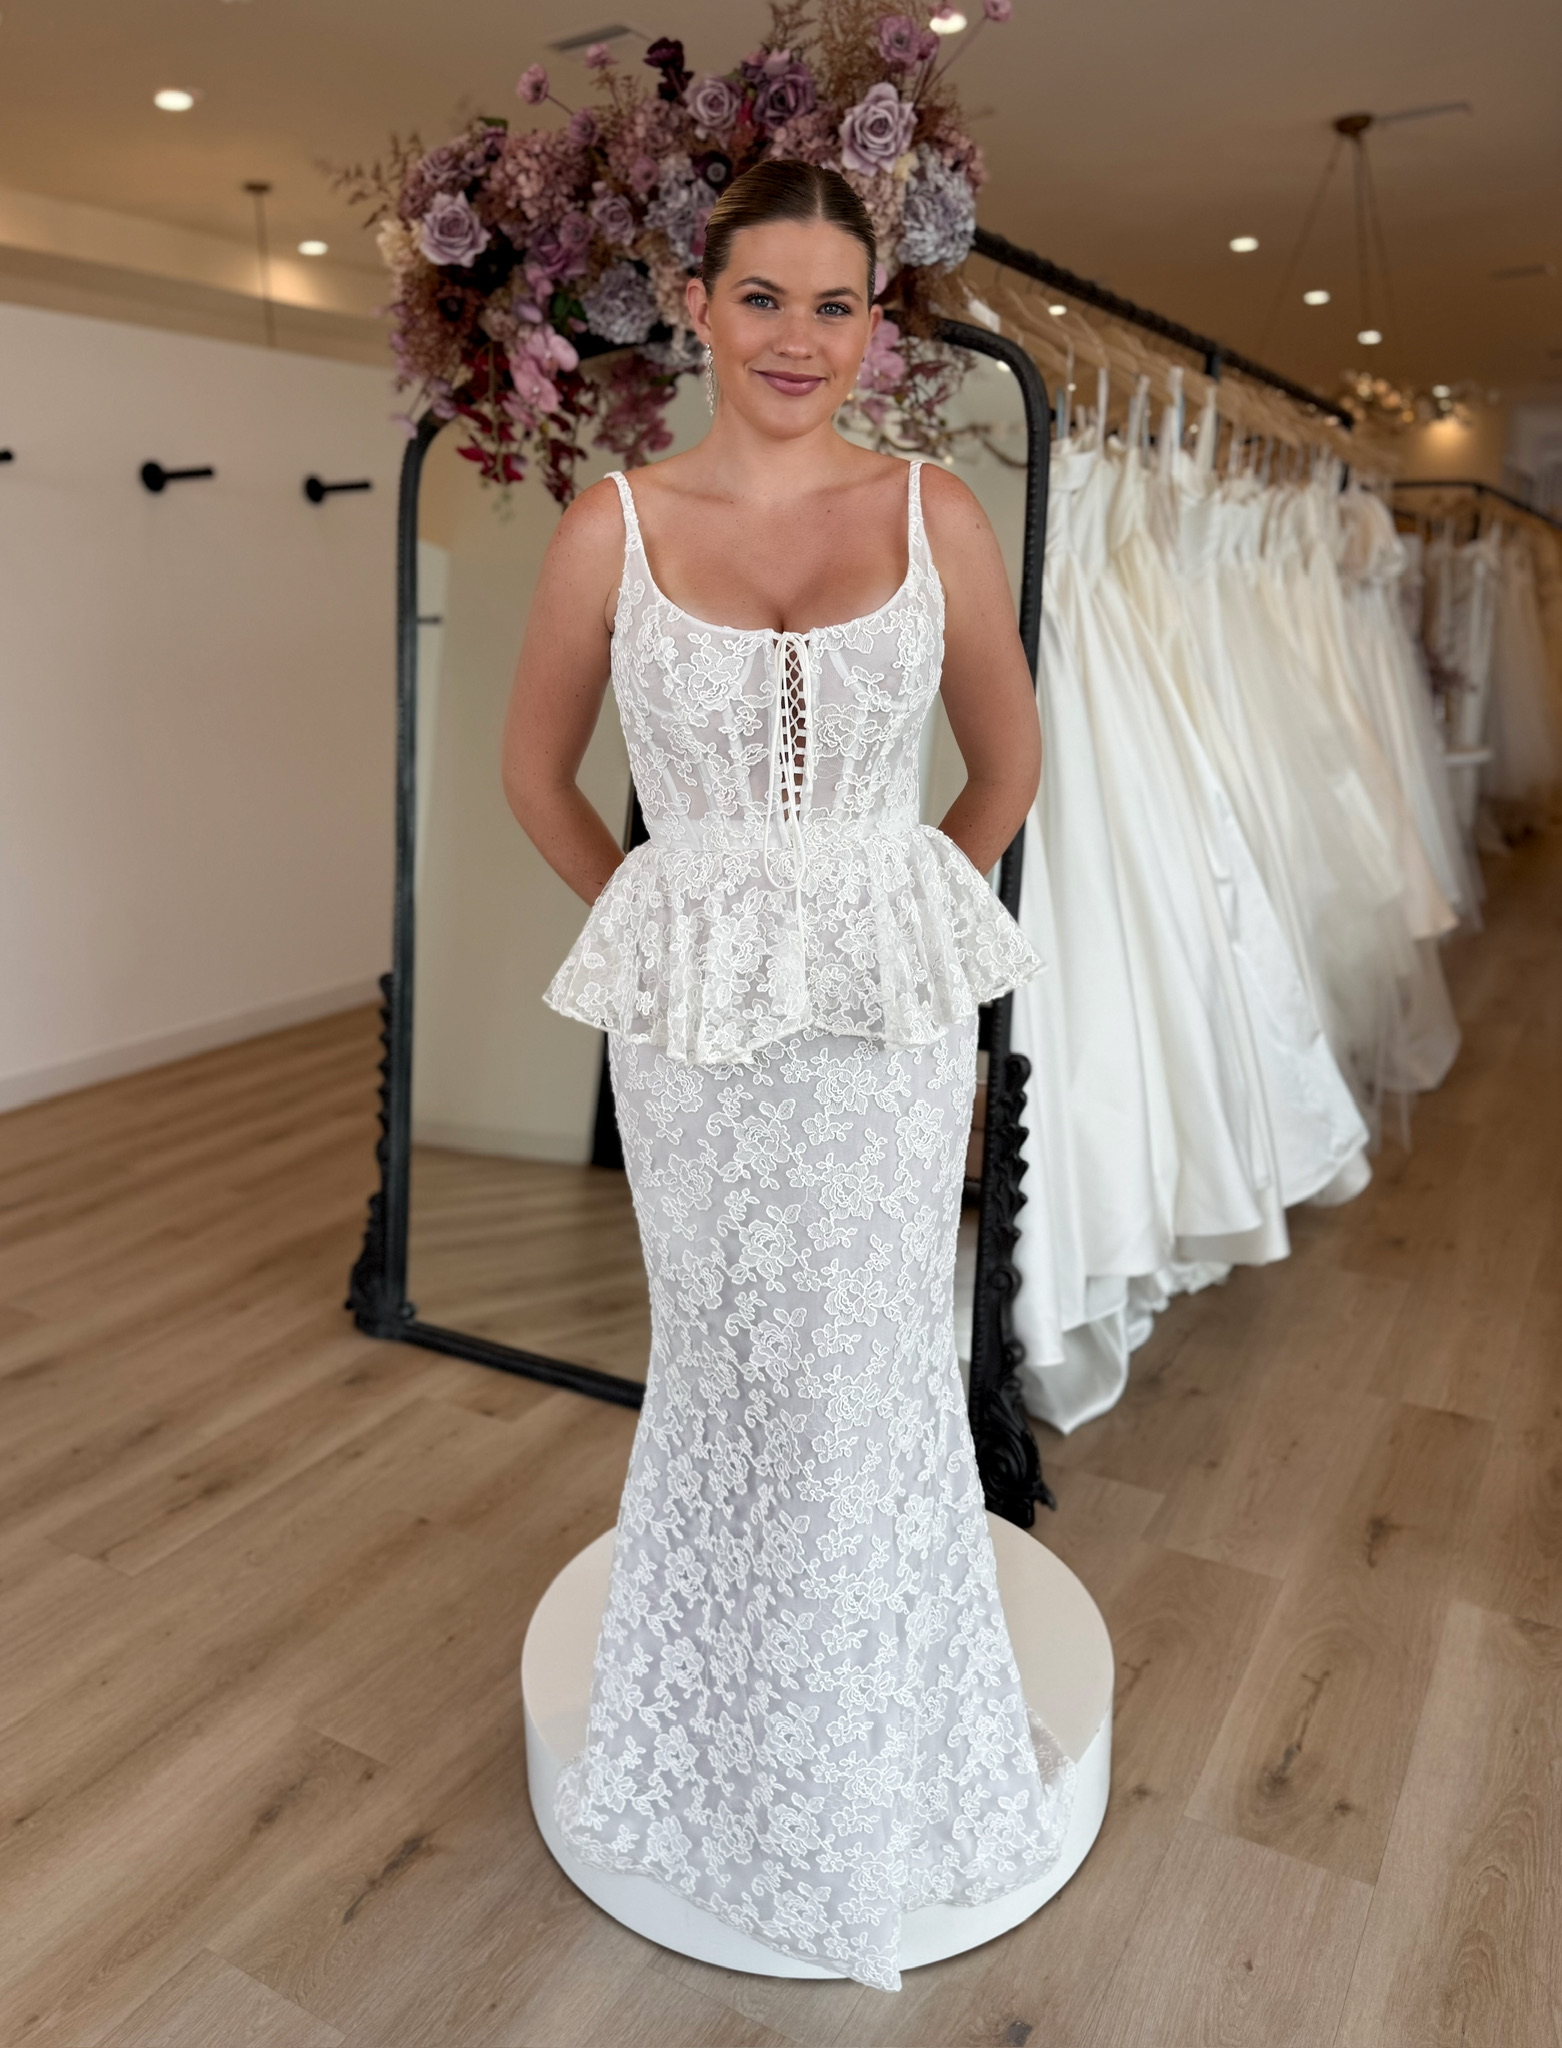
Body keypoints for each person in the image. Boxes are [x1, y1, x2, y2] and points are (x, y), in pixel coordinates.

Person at [501, 159, 1073, 1994]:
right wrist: (667, 924)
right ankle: (719, 1749)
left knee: (869, 1372)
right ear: (694, 307)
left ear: (875, 326)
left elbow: (1004, 766)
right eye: (763, 298)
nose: (798, 339)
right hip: (698, 1046)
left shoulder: (933, 511)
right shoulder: (611, 521)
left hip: (883, 1035)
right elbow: (535, 775)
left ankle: (879, 1755)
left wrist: (889, 921)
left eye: (836, 305)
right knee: (732, 1365)